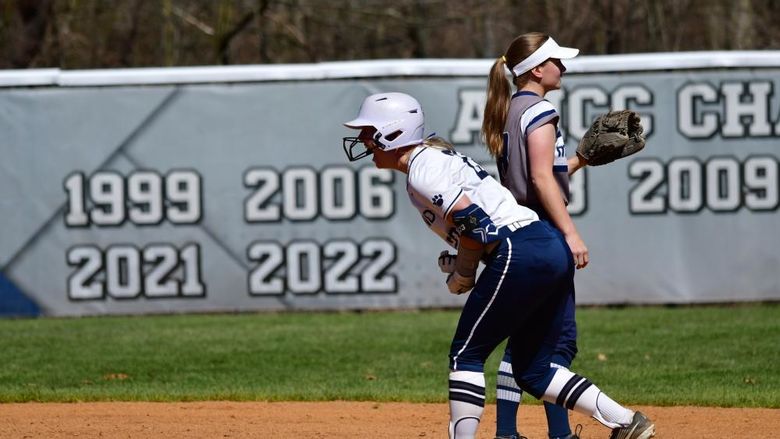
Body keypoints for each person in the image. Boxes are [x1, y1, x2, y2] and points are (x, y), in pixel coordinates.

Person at [341, 91, 655, 439]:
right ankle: (627, 422)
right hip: (545, 245)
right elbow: (476, 229)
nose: (362, 140)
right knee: (533, 370)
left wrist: (463, 272)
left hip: (520, 248)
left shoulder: (423, 170)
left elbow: (477, 226)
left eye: (369, 131)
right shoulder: (434, 159)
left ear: (393, 133)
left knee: (466, 355)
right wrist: (463, 261)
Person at [481, 33, 588, 439]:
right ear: (537, 69)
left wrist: (582, 160)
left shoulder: (510, 109)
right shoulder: (540, 110)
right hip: (544, 233)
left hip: (520, 231)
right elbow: (541, 179)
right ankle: (559, 435)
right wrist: (571, 233)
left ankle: (508, 433)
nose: (563, 67)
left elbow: (534, 175)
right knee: (555, 342)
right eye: (557, 61)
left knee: (527, 340)